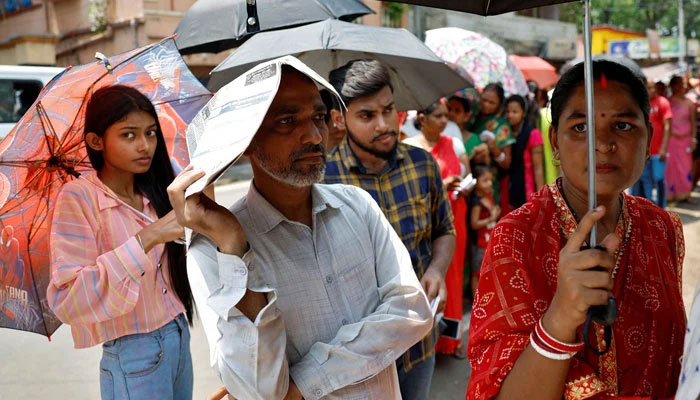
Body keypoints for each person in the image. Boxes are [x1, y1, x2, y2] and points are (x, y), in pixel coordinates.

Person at [174, 64, 433, 400]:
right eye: (286, 121)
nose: (313, 136)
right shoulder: (213, 252)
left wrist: (304, 383)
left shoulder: (357, 205)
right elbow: (260, 391)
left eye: (319, 117)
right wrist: (234, 246)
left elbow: (412, 310)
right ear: (246, 142)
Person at [466, 60, 686, 400]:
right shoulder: (516, 236)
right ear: (555, 139)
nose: (603, 144)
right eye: (581, 127)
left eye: (624, 126)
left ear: (649, 138)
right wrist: (560, 319)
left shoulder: (663, 228)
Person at [47, 85, 194, 400]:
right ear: (96, 141)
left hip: (178, 335)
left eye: (151, 133)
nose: (145, 146)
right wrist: (148, 237)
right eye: (129, 135)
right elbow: (69, 297)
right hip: (134, 352)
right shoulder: (79, 198)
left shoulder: (154, 192)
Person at [324, 59, 456, 400]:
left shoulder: (423, 165)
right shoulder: (323, 180)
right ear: (340, 118)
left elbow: (444, 230)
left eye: (388, 110)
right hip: (355, 354)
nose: (384, 125)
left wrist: (438, 270)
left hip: (419, 341)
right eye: (367, 116)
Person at [404, 99, 470, 358]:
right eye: (439, 116)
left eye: (446, 116)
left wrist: (464, 186)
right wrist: (442, 186)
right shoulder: (409, 148)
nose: (445, 121)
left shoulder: (454, 144)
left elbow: (469, 176)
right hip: (423, 222)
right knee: (425, 277)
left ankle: (451, 341)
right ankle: (424, 339)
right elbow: (410, 193)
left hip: (455, 217)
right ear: (422, 118)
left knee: (452, 279)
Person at [470, 83, 516, 209]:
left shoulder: (502, 126)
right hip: (468, 178)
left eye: (491, 102)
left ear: (499, 105)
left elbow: (506, 163)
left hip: (487, 182)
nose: (486, 105)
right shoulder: (471, 117)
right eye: (484, 100)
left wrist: (495, 150)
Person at [631, 79, 672, 208]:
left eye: (653, 87)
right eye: (649, 88)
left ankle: (662, 209)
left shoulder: (662, 102)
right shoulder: (639, 104)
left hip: (658, 152)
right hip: (643, 152)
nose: (652, 90)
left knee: (659, 179)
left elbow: (667, 126)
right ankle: (651, 209)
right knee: (646, 181)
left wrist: (664, 148)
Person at [504, 94, 545, 208]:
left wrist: (541, 196)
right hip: (509, 189)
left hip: (527, 189)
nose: (510, 115)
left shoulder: (533, 133)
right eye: (507, 111)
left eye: (515, 111)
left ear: (523, 113)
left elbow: (538, 168)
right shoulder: (504, 134)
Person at [468, 164, 498, 298]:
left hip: (487, 240)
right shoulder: (476, 202)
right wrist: (491, 218)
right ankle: (477, 300)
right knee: (476, 273)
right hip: (479, 242)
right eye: (485, 180)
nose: (489, 183)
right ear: (476, 182)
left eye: (490, 180)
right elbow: (474, 224)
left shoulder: (487, 196)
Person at [666, 75, 696, 203]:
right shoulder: (668, 102)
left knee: (685, 167)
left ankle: (686, 194)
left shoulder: (690, 103)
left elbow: (693, 122)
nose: (682, 87)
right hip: (671, 139)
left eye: (683, 84)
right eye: (679, 84)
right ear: (673, 86)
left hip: (685, 140)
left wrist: (694, 139)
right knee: (670, 167)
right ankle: (670, 195)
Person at [448, 95, 489, 165]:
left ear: (467, 116)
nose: (451, 113)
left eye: (457, 111)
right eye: (449, 109)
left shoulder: (473, 139)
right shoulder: (436, 133)